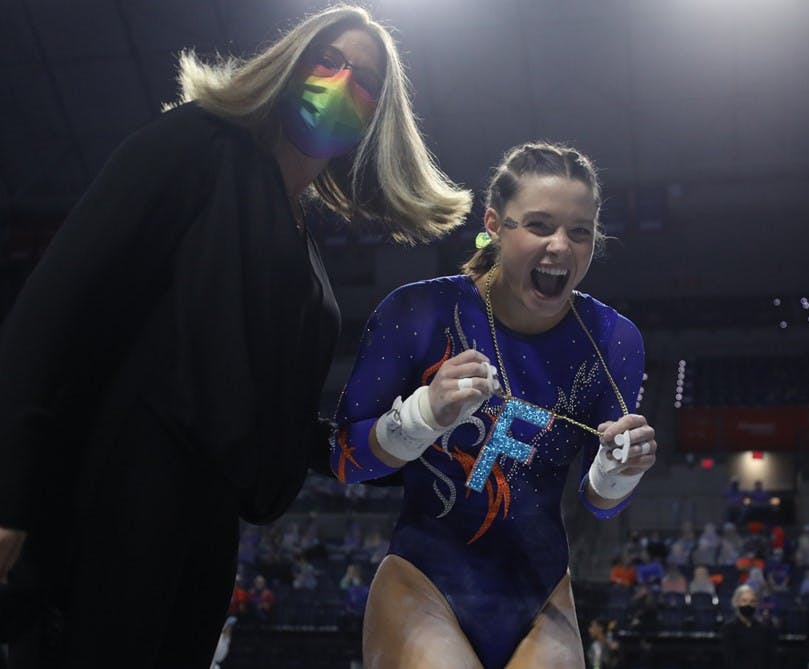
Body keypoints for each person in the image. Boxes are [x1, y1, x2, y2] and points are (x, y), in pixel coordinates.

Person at [0, 4, 471, 666]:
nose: (339, 84)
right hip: (115, 504)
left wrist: (423, 418)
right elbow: (54, 307)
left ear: (376, 118)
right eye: (326, 61)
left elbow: (282, 428)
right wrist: (10, 493)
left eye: (362, 79)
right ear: (287, 68)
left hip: (206, 536)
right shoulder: (198, 144)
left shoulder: (306, 249)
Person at [329, 142, 657, 668]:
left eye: (579, 232)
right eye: (539, 225)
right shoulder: (419, 311)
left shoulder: (613, 339)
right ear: (495, 224)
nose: (560, 246)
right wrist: (420, 417)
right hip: (425, 582)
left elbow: (601, 505)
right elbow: (344, 458)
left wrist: (618, 470)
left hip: (540, 593)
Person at [720, 584, 776, 669]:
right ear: (737, 602)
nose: (748, 605)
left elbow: (769, 657)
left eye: (752, 601)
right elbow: (729, 659)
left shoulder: (764, 629)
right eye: (744, 601)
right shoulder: (729, 629)